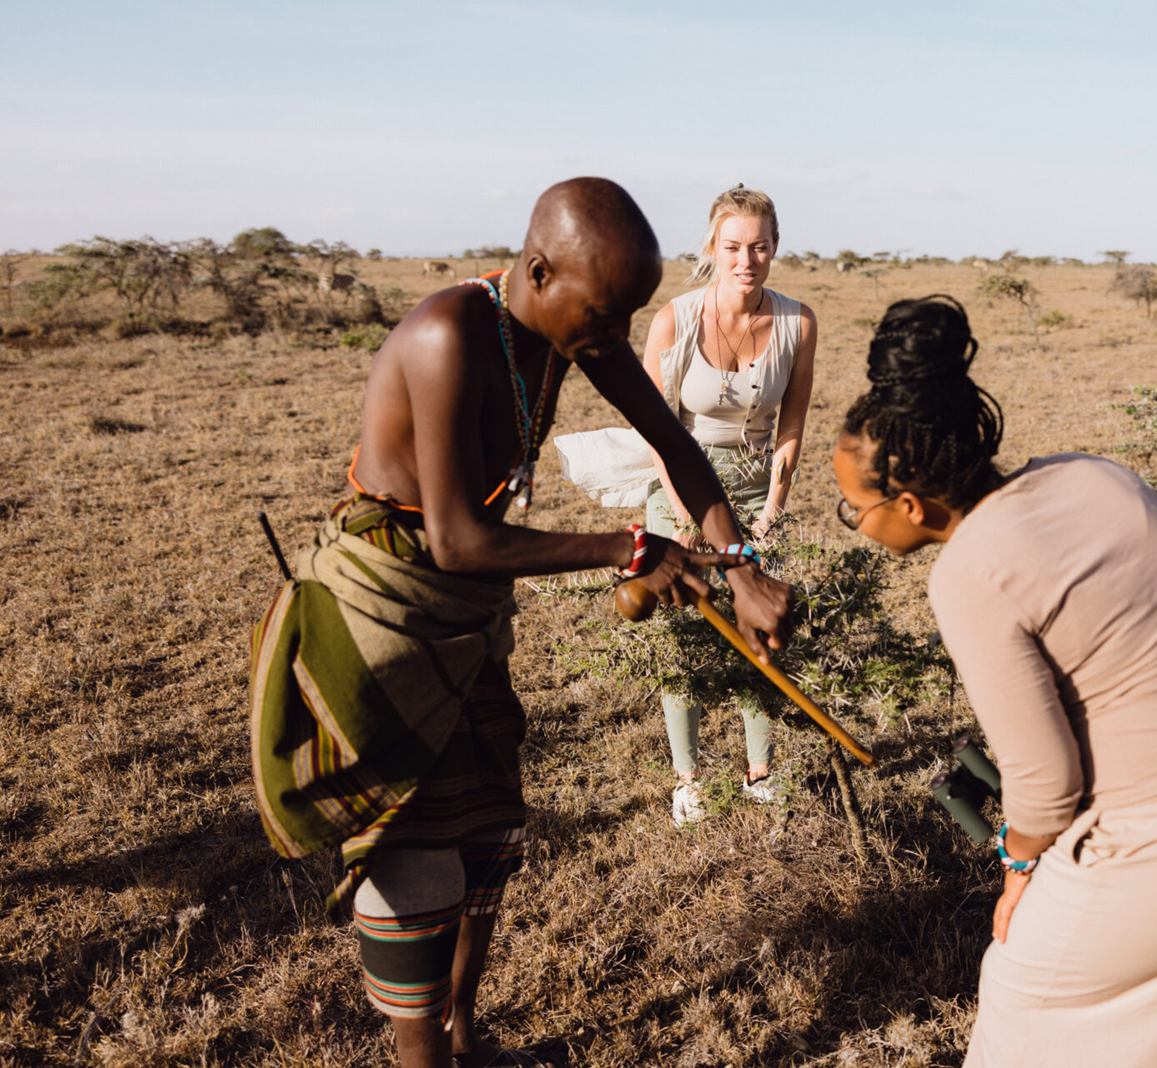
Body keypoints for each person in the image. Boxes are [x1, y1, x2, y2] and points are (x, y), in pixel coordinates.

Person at [247, 178, 794, 1068]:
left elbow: (676, 442)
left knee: (485, 835)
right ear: (537, 270)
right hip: (388, 611)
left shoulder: (574, 323)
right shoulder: (446, 337)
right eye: (602, 314)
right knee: (418, 860)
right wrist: (632, 550)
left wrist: (737, 567)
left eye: (626, 317)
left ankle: (467, 1037)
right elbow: (459, 541)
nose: (612, 338)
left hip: (463, 620)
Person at [833, 295, 1157, 1066]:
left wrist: (1019, 870)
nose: (854, 521)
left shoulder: (968, 570)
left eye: (853, 509)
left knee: (1023, 1003)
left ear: (909, 504)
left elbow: (1043, 780)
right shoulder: (1097, 476)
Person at [640, 185, 817, 825]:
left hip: (755, 485)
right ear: (713, 247)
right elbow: (657, 430)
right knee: (685, 633)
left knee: (761, 623)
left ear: (774, 249)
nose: (747, 260)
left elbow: (792, 425)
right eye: (734, 246)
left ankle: (760, 771)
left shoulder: (797, 321)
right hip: (681, 482)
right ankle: (687, 778)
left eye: (760, 246)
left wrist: (773, 507)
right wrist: (684, 519)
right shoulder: (676, 318)